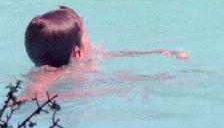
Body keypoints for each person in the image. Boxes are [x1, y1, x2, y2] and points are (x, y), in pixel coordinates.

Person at [20, 6, 189, 100]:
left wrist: (156, 52)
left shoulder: (85, 59)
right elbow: (27, 98)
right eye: (87, 38)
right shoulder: (48, 75)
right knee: (127, 80)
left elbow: (113, 54)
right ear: (77, 53)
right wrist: (85, 94)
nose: (92, 43)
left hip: (86, 78)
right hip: (85, 93)